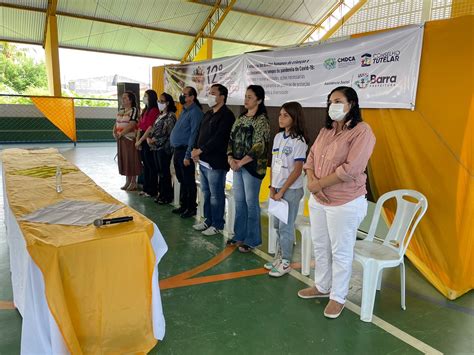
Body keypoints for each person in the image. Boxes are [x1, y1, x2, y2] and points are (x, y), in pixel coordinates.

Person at [297, 86, 376, 319]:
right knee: (320, 244)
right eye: (330, 101)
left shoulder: (362, 132)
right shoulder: (326, 130)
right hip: (319, 199)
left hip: (345, 202)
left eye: (338, 101)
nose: (333, 105)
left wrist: (318, 185)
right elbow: (311, 158)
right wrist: (313, 182)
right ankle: (322, 286)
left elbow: (351, 169)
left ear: (351, 104)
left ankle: (338, 297)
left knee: (340, 251)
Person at [264, 102, 308, 277]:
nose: (281, 118)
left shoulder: (300, 141)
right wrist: (272, 187)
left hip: (290, 190)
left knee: (286, 226)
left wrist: (282, 191)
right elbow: (275, 164)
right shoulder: (278, 137)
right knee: (276, 224)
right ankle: (279, 256)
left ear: (294, 118)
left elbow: (297, 170)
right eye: (280, 114)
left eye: (285, 115)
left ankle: (286, 262)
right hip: (277, 189)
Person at [226, 85, 270, 253]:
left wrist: (241, 162)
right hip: (237, 165)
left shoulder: (262, 120)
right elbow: (230, 139)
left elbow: (259, 146)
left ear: (259, 100)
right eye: (245, 96)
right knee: (239, 202)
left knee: (251, 204)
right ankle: (239, 235)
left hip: (251, 168)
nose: (246, 99)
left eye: (250, 97)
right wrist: (230, 158)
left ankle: (252, 240)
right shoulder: (241, 117)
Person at [191, 84, 236, 236]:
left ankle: (218, 224)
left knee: (216, 194)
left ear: (222, 96)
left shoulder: (227, 115)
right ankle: (208, 220)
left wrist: (201, 149)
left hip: (216, 162)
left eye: (213, 93)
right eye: (209, 93)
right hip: (203, 161)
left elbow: (219, 139)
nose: (210, 95)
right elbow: (200, 132)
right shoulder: (208, 113)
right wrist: (195, 150)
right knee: (206, 192)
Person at [170, 86, 203, 218]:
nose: (182, 96)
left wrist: (188, 154)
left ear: (191, 97)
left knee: (188, 180)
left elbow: (194, 134)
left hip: (185, 150)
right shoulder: (184, 110)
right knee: (181, 179)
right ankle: (184, 205)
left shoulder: (195, 112)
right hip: (177, 150)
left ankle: (191, 207)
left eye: (185, 94)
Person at [147, 92, 177, 204]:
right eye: (159, 101)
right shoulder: (159, 115)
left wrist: (156, 140)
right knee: (159, 172)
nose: (160, 103)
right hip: (155, 148)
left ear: (168, 103)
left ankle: (167, 196)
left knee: (165, 172)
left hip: (164, 148)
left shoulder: (171, 116)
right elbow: (153, 129)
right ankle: (161, 194)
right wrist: (149, 138)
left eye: (162, 101)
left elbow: (168, 134)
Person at [113, 91, 141, 191]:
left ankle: (133, 182)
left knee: (131, 160)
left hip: (129, 138)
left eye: (125, 98)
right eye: (122, 97)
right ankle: (127, 181)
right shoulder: (121, 110)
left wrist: (122, 133)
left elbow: (132, 124)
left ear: (130, 100)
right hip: (121, 139)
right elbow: (117, 122)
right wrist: (114, 132)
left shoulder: (134, 110)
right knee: (124, 160)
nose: (123, 99)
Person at [135, 90, 160, 197]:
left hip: (147, 139)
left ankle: (152, 190)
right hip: (141, 137)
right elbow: (140, 126)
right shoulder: (145, 110)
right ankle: (146, 188)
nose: (144, 97)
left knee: (151, 166)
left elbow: (150, 128)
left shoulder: (154, 110)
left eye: (146, 96)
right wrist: (137, 140)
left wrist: (141, 140)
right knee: (145, 165)